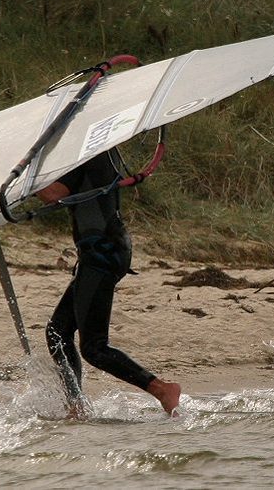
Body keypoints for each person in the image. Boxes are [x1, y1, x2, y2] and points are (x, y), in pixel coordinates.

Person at [36, 149, 181, 416]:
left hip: (102, 255)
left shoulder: (89, 155)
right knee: (57, 331)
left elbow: (52, 194)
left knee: (94, 347)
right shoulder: (93, 153)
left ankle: (162, 389)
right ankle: (76, 404)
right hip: (103, 251)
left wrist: (23, 174)